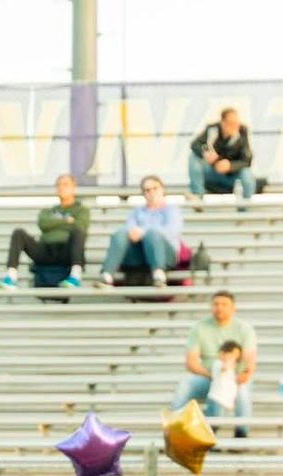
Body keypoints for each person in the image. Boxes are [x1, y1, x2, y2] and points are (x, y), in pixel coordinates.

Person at [170, 290, 258, 438]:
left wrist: (245, 373)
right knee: (185, 383)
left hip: (235, 376)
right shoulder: (199, 328)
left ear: (233, 308)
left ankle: (241, 433)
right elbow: (191, 362)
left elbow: (250, 359)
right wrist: (213, 375)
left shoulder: (244, 329)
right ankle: (173, 432)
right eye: (216, 304)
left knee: (242, 391)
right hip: (208, 375)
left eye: (224, 304)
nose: (220, 308)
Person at [0, 173, 90, 290]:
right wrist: (67, 220)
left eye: (65, 184)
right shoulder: (48, 211)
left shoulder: (82, 210)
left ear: (73, 188)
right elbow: (43, 223)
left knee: (78, 232)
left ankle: (75, 276)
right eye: (59, 185)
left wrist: (55, 222)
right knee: (19, 233)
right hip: (45, 250)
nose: (61, 188)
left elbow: (80, 225)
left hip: (65, 251)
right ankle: (11, 277)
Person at [97, 175, 182, 288]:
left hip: (165, 254)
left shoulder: (172, 209)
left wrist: (143, 232)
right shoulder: (137, 211)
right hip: (139, 254)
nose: (151, 192)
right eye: (147, 190)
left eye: (155, 188)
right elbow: (130, 230)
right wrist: (134, 233)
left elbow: (171, 231)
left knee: (152, 234)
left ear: (162, 189)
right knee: (121, 233)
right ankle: (107, 275)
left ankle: (159, 274)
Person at [187, 108, 257, 203]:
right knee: (193, 157)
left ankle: (246, 206)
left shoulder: (242, 131)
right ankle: (197, 196)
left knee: (247, 173)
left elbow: (247, 160)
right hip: (212, 173)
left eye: (236, 122)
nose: (234, 126)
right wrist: (205, 153)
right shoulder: (212, 129)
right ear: (222, 122)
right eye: (230, 123)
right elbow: (194, 144)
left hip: (231, 176)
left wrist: (230, 166)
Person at [207, 340, 243, 417]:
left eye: (236, 357)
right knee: (214, 424)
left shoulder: (232, 370)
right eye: (232, 355)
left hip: (225, 400)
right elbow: (223, 369)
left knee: (218, 422)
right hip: (216, 399)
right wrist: (229, 363)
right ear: (222, 353)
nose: (234, 359)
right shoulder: (218, 363)